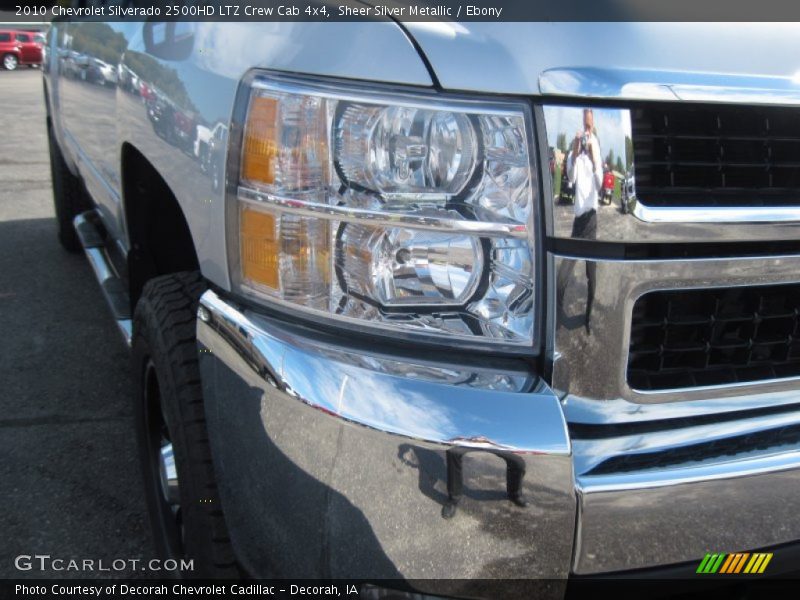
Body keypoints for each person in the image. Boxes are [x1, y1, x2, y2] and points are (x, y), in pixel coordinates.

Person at [563, 108, 601, 331]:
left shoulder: (596, 146)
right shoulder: (575, 151)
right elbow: (570, 177)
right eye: (584, 126)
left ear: (592, 126)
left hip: (591, 221)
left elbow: (599, 184)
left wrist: (594, 157)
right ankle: (555, 314)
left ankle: (587, 319)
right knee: (563, 273)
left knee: (591, 276)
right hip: (578, 222)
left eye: (589, 126)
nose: (587, 130)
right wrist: (575, 152)